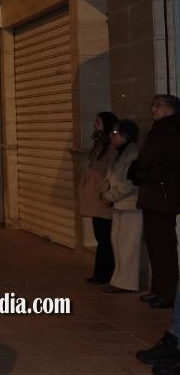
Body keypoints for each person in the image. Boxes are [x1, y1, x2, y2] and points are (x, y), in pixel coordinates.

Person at [130, 95, 180, 309]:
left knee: (164, 247)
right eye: (152, 105)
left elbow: (169, 164)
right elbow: (145, 158)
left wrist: (144, 173)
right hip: (152, 196)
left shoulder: (174, 130)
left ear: (171, 109)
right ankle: (158, 289)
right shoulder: (157, 130)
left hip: (163, 196)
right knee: (154, 246)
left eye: (158, 105)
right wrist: (136, 170)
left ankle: (168, 294)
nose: (153, 109)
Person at [99, 120, 142, 294]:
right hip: (119, 204)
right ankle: (118, 279)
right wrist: (104, 192)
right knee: (117, 242)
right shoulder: (119, 153)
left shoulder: (133, 153)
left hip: (130, 205)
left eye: (114, 133)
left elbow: (130, 183)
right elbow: (110, 177)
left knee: (128, 246)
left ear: (125, 135)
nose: (111, 136)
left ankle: (127, 282)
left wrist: (109, 196)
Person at [78, 112, 118, 285]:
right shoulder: (99, 144)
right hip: (96, 198)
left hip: (103, 198)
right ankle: (101, 273)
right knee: (100, 235)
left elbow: (111, 173)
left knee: (104, 237)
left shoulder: (110, 147)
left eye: (98, 122)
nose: (95, 125)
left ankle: (105, 274)